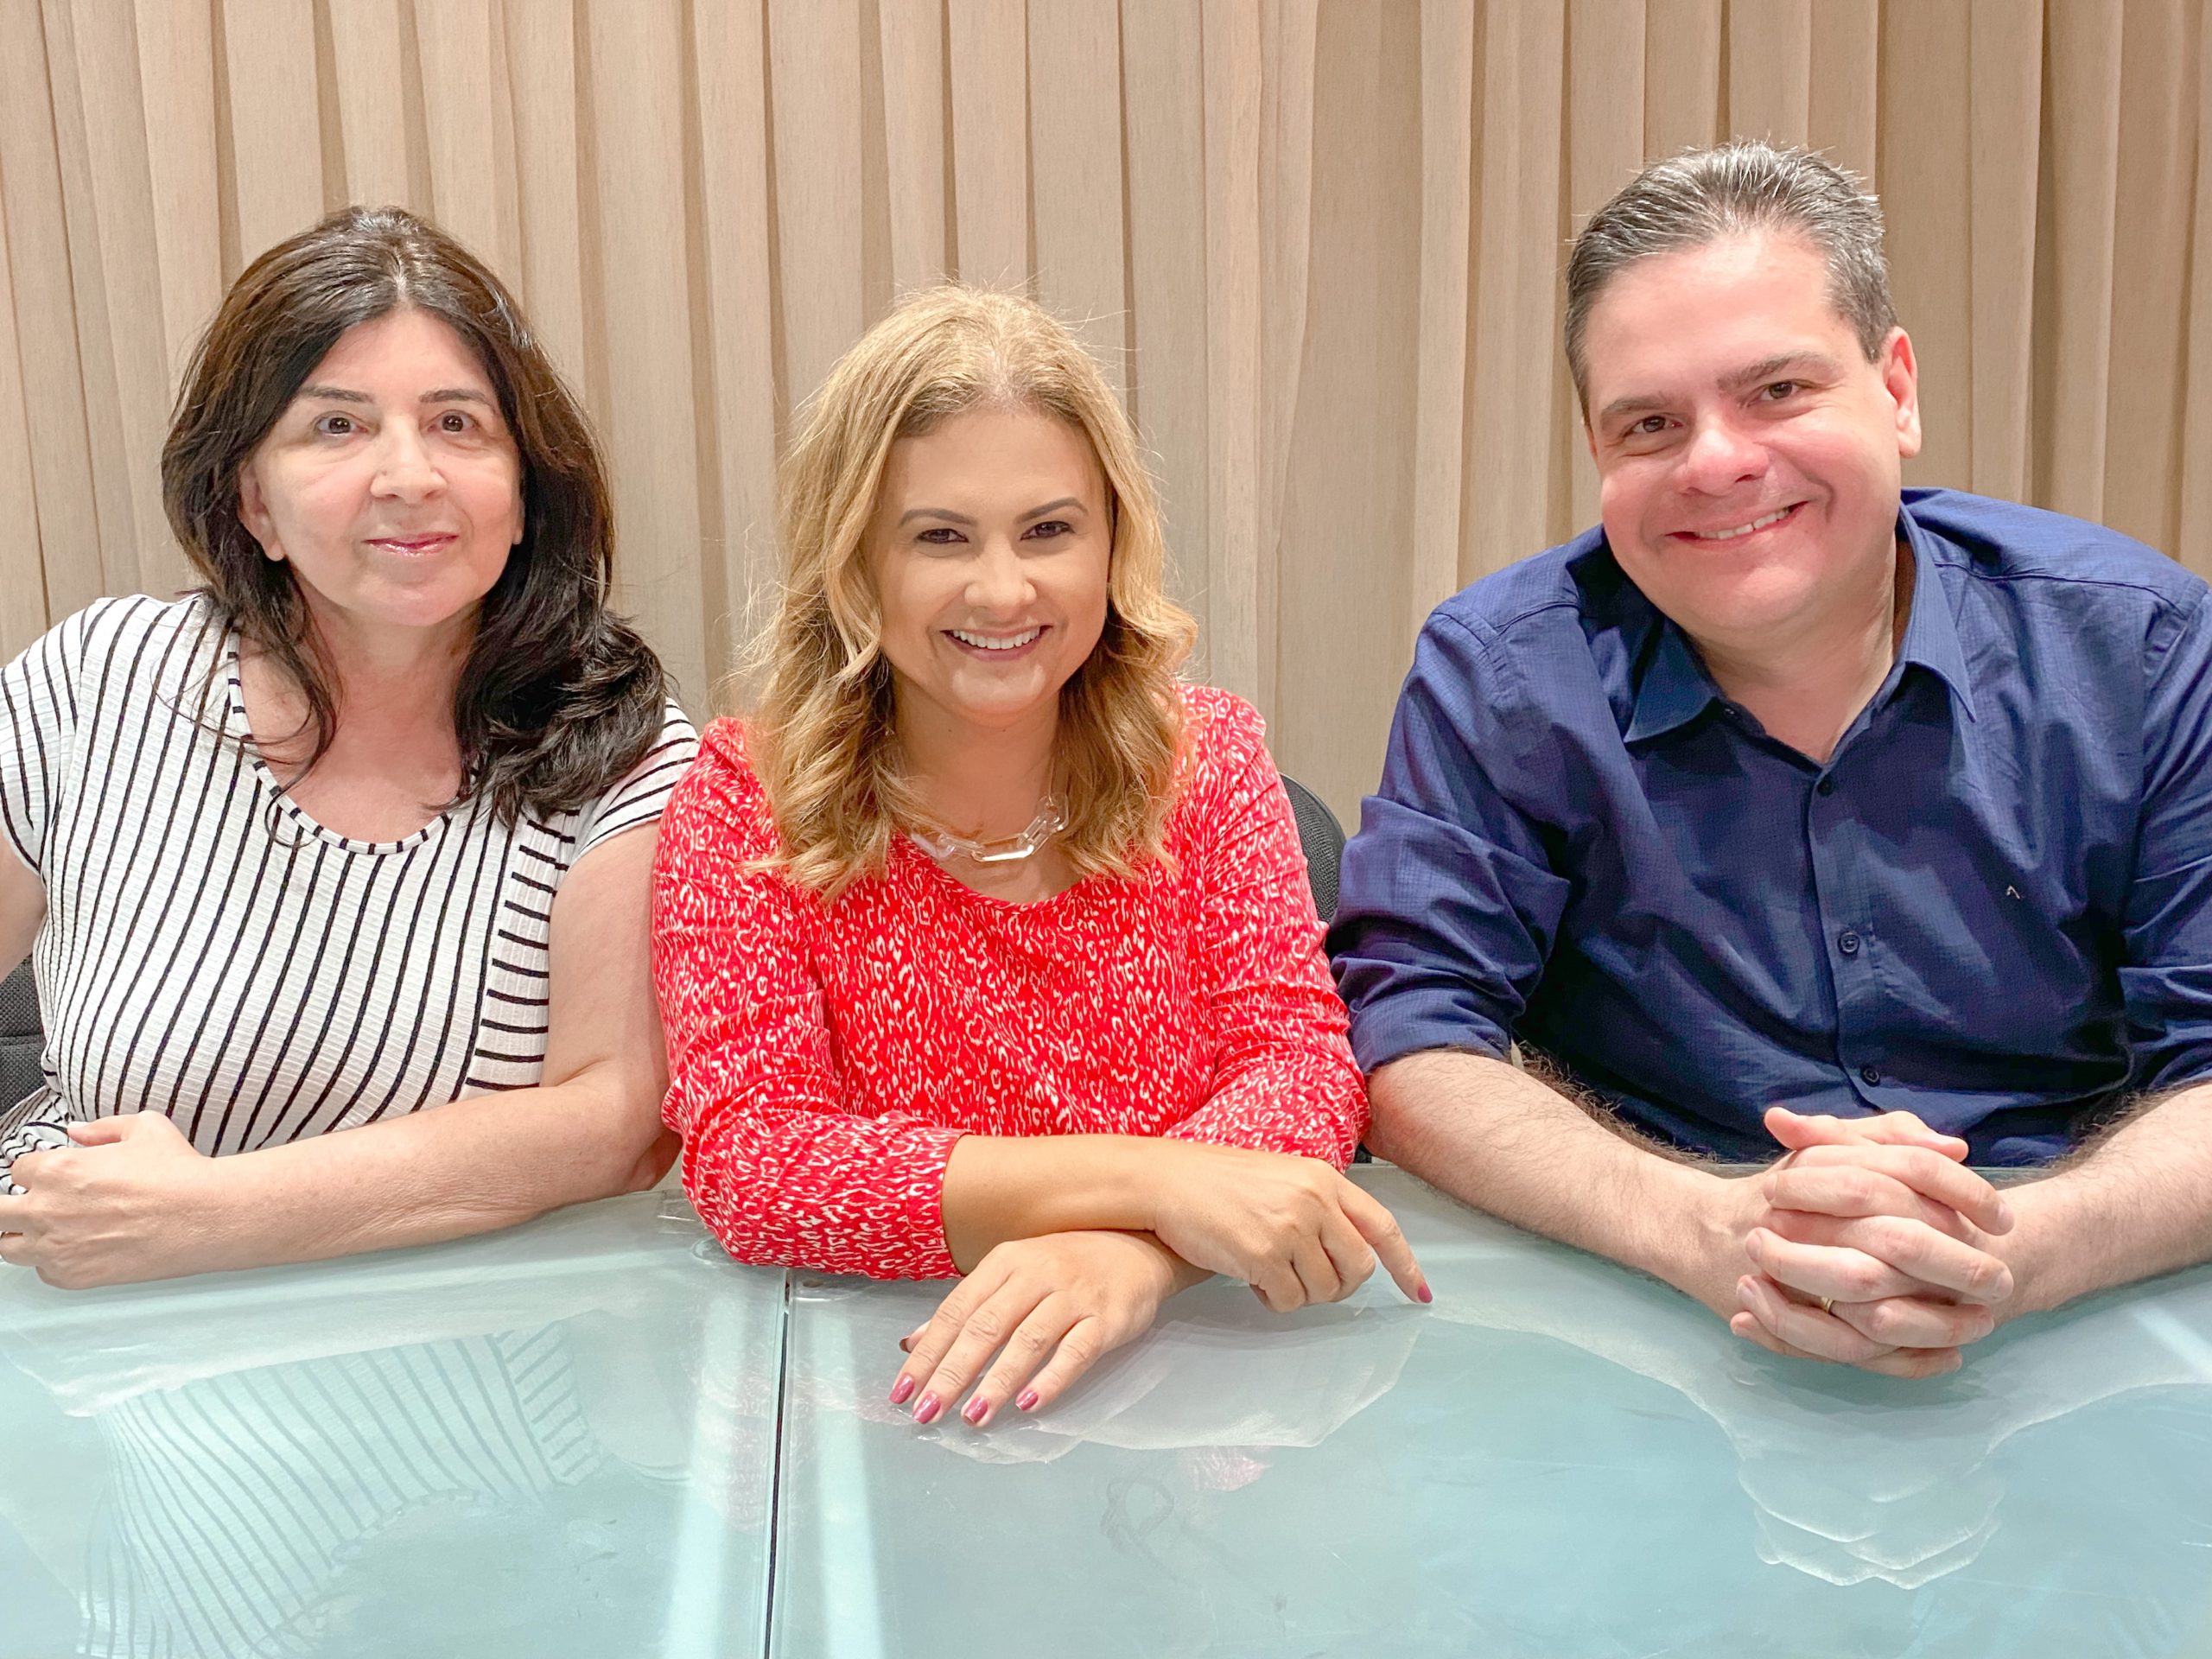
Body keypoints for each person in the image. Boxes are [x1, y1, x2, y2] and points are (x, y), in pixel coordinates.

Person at [1331, 141, 2212, 1378]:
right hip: (1642, 1315)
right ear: (1596, 449)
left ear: (1895, 388)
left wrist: (2012, 1252)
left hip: (2079, 1300)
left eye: (1779, 390)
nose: (1715, 461)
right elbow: (1412, 1037)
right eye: (1650, 422)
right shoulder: (1503, 671)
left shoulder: (2142, 644)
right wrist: (1700, 1230)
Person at [652, 285, 1427, 1429]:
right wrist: (1154, 1188)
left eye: (1050, 530)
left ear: (1114, 540)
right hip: (895, 1403)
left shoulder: (1206, 756)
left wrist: (1128, 1265)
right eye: (940, 537)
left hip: (1195, 1398)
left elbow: (1303, 1066)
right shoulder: (747, 799)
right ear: (855, 563)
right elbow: (755, 1161)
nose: (1006, 589)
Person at [0, 207, 695, 1287]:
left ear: (522, 498)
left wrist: (220, 1216)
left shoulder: (622, 746)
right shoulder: (101, 677)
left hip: (458, 1374)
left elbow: (616, 1123)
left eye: (458, 424)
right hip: (96, 1338)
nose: (407, 474)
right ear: (253, 502)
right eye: (337, 427)